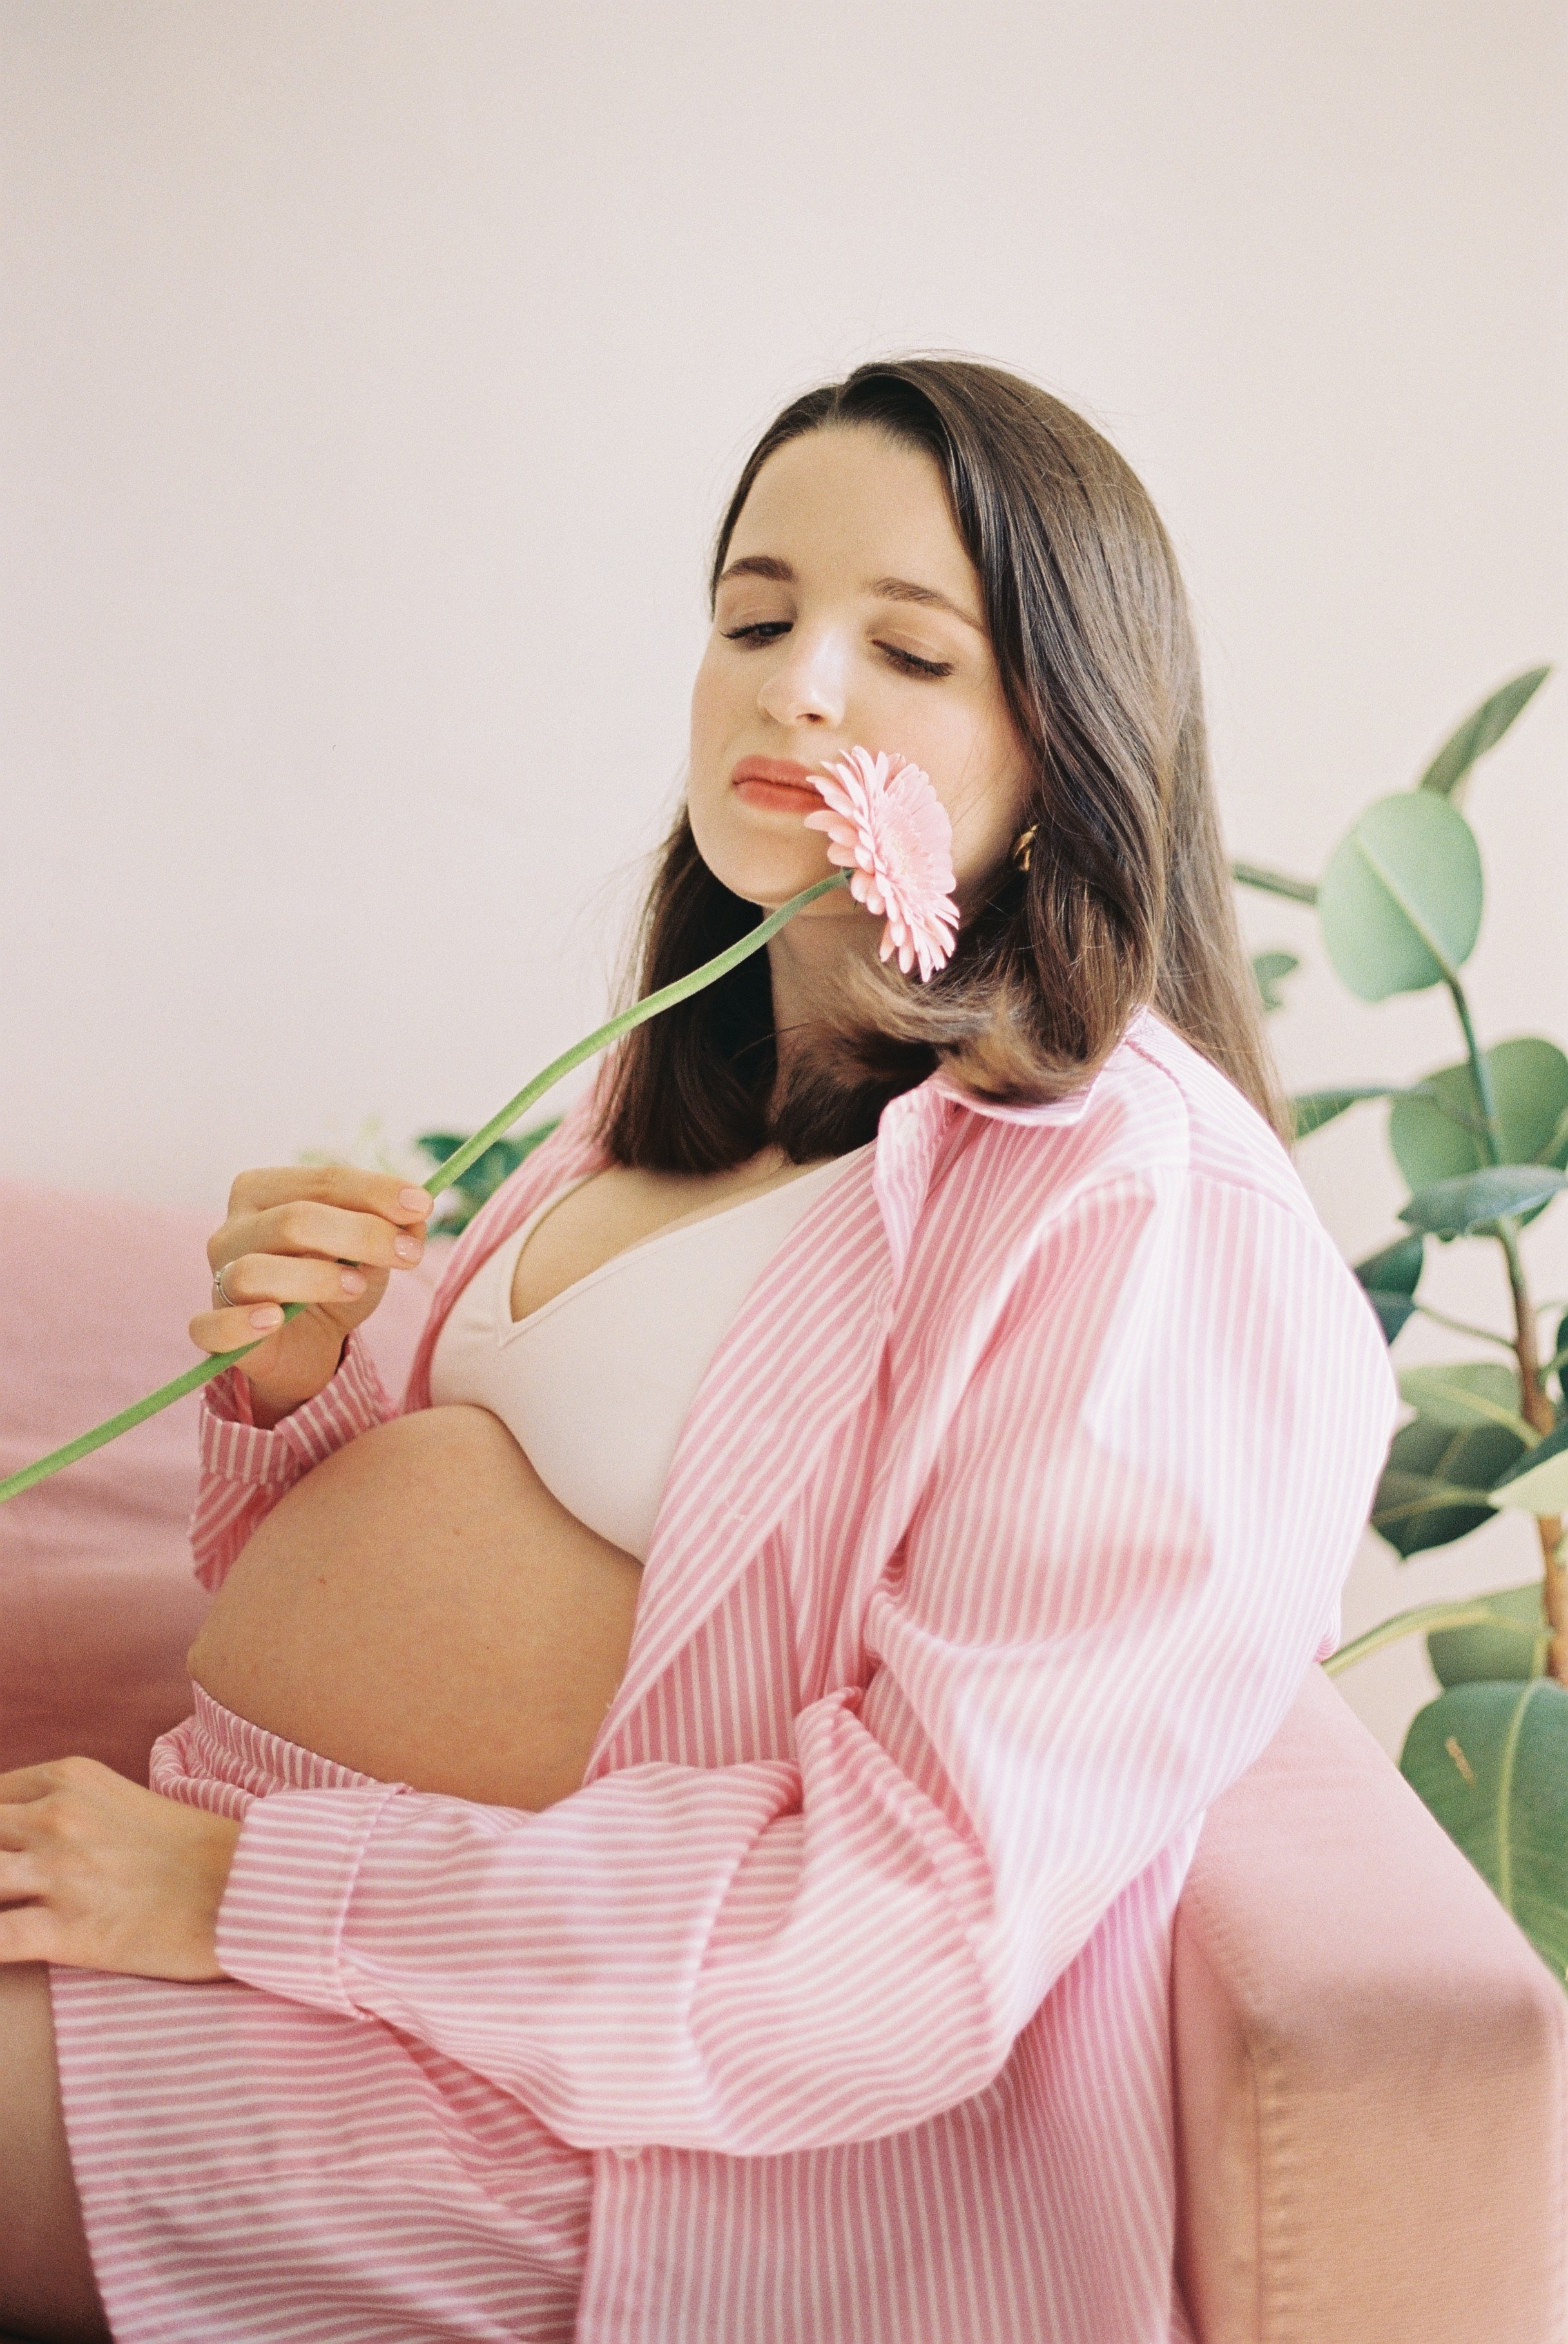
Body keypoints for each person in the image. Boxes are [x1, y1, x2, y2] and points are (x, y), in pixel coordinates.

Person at [0, 358, 1396, 2344]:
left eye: (905, 650)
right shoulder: (664, 1091)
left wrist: (247, 1895)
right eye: (753, 618)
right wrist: (303, 1391)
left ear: (1066, 739)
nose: (795, 687)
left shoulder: (1148, 1213)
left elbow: (908, 1937)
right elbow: (435, 1574)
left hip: (596, 2110)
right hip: (260, 1900)